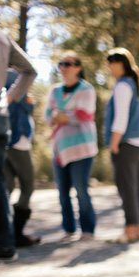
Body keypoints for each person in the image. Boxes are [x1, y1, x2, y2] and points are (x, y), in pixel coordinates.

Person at [45, 51, 99, 242]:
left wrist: (62, 116)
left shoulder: (86, 89)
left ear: (78, 67)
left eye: (68, 63)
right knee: (62, 191)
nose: (63, 67)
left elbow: (84, 115)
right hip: (60, 148)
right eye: (61, 64)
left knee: (81, 189)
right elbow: (47, 116)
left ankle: (88, 229)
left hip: (82, 148)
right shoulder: (54, 90)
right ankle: (68, 229)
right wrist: (67, 115)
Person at [104, 48, 139, 244]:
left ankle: (130, 231)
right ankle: (137, 229)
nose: (108, 67)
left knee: (127, 188)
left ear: (120, 63)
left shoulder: (123, 86)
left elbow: (121, 117)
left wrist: (114, 142)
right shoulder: (136, 84)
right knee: (135, 187)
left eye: (111, 62)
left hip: (127, 143)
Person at [0, 27, 36, 262]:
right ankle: (5, 241)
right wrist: (9, 97)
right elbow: (30, 70)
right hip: (0, 119)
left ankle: (5, 241)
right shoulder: (1, 36)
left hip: (9, 127)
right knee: (1, 181)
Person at [4, 69, 41, 246]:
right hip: (18, 140)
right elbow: (24, 105)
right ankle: (16, 234)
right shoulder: (12, 75)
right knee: (27, 186)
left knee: (7, 187)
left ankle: (5, 234)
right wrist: (28, 102)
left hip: (3, 139)